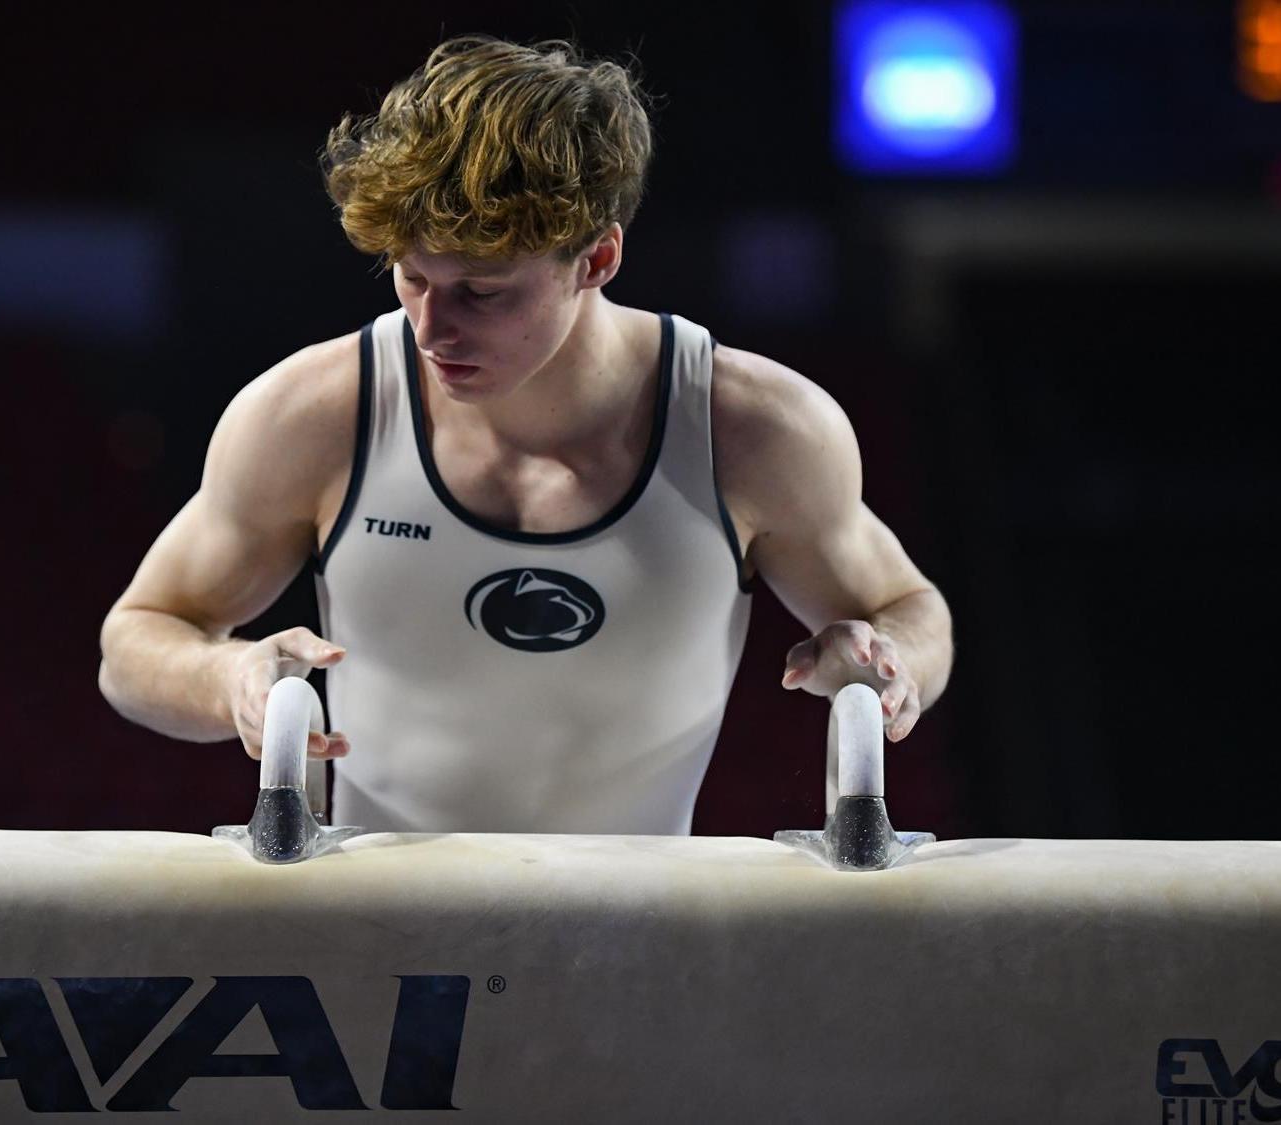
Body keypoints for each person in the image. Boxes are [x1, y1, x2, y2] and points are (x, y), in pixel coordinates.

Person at [97, 34, 953, 834]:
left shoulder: (752, 430)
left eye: (481, 292)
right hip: (379, 928)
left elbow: (911, 609)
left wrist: (891, 662)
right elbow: (135, 640)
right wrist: (229, 676)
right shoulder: (318, 415)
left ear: (597, 259)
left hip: (639, 926)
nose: (431, 329)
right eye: (411, 278)